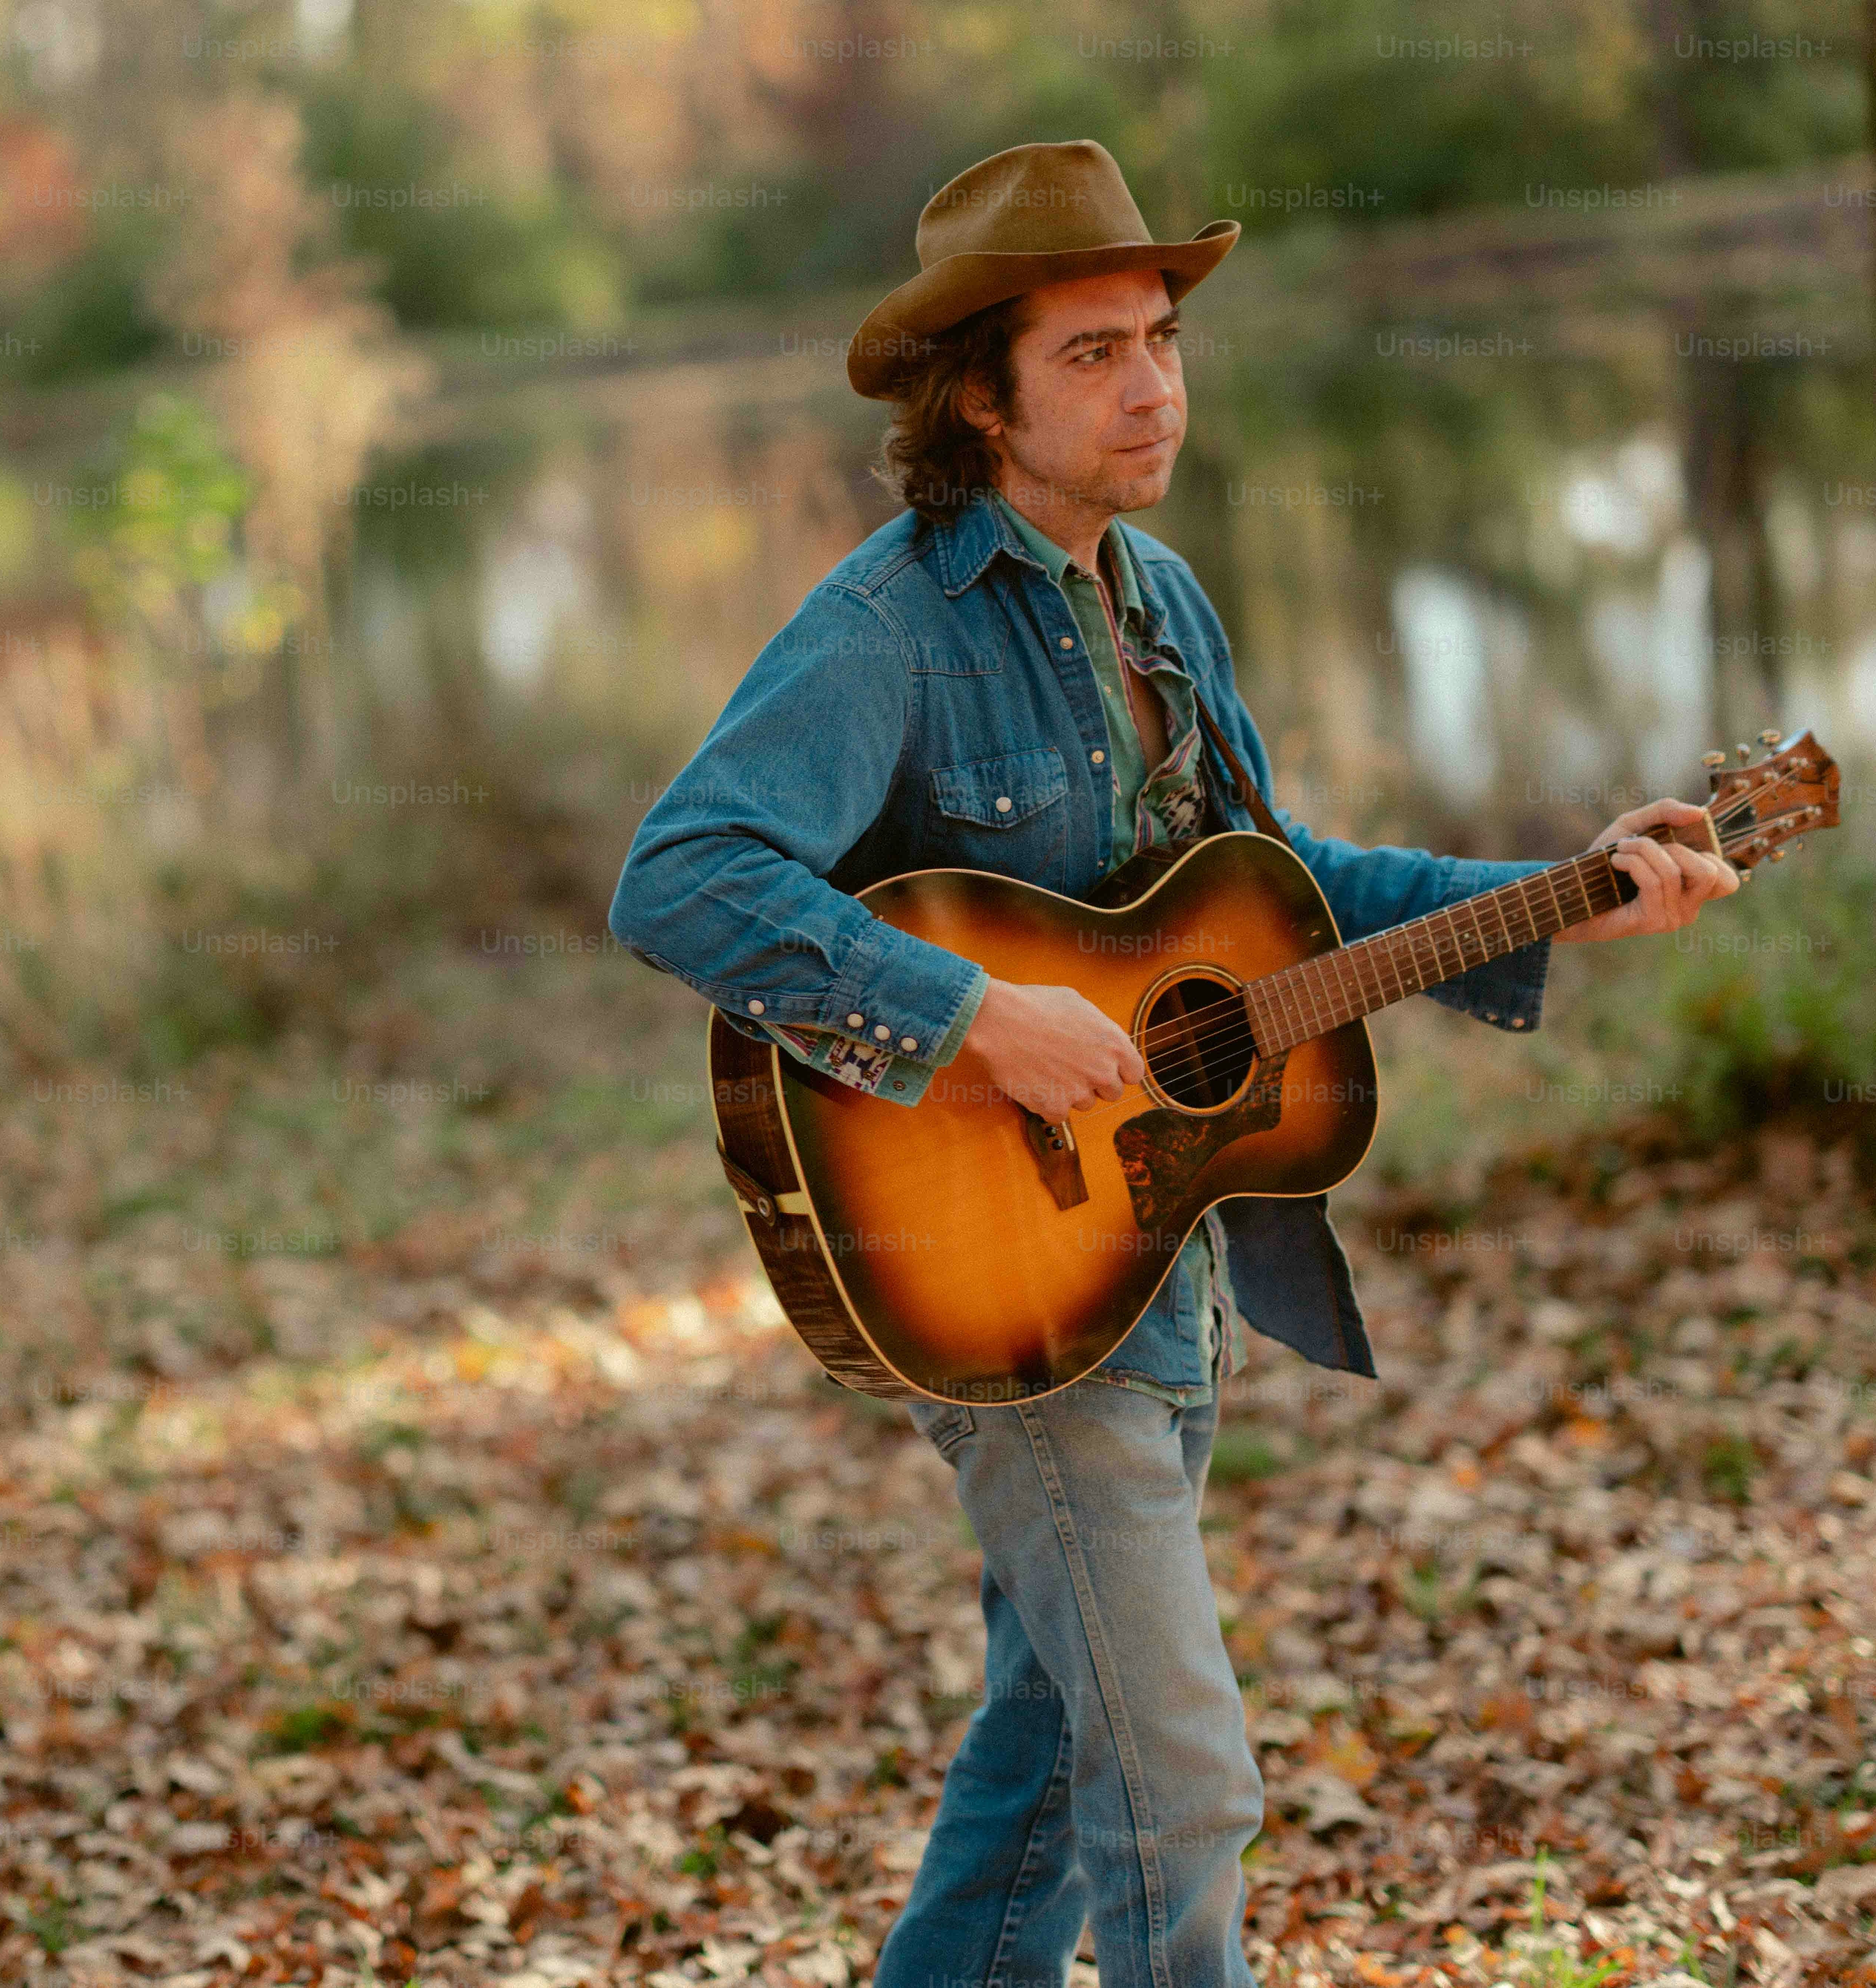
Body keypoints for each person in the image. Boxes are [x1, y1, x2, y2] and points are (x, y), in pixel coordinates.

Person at [606, 139, 1738, 1988]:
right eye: (1090, 353)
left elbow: (1276, 899)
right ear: (978, 393)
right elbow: (682, 877)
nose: (1151, 387)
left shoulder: (1159, 603)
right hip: (1005, 1291)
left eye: (1163, 341)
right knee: (1183, 1785)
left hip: (1154, 1257)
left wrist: (1561, 896)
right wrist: (972, 1014)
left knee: (1053, 1752)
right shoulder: (885, 626)